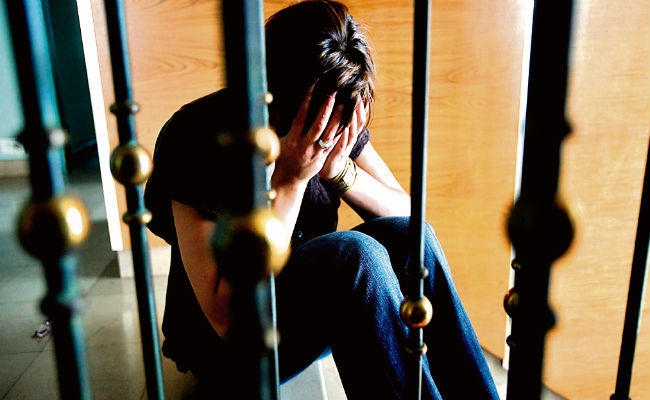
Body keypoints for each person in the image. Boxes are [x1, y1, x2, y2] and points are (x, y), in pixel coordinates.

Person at [144, 1, 500, 399]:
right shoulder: (196, 135)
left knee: (411, 238)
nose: (328, 134)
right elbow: (226, 315)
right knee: (355, 255)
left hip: (303, 312)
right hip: (223, 346)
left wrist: (338, 170)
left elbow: (408, 215)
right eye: (319, 124)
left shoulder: (332, 114)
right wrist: (292, 178)